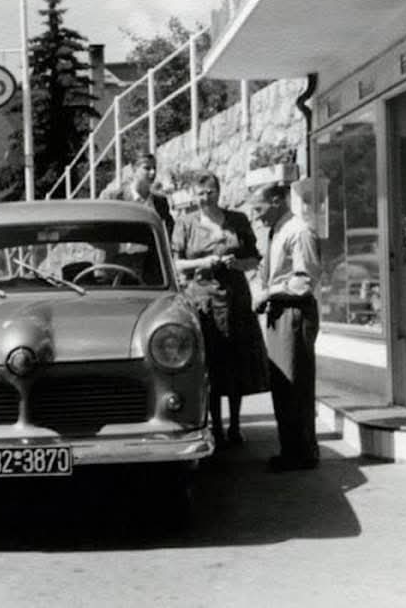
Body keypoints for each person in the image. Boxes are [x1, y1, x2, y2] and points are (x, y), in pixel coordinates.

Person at [171, 171, 266, 447]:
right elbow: (176, 263)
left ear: (219, 191)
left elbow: (254, 258)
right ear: (193, 195)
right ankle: (215, 425)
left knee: (235, 361)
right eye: (200, 193)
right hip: (202, 301)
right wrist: (203, 262)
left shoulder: (238, 220)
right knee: (209, 362)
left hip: (235, 299)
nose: (206, 197)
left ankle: (235, 425)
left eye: (210, 191)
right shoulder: (185, 223)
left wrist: (237, 264)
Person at [249, 182, 323, 472]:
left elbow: (304, 281)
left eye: (259, 208)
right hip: (279, 312)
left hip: (294, 313)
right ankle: (291, 449)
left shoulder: (299, 231)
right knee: (283, 385)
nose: (256, 216)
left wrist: (270, 293)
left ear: (277, 201)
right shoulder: (278, 231)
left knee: (296, 384)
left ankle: (302, 452)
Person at [99, 151, 174, 236]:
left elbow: (167, 230)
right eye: (147, 168)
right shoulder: (115, 199)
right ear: (134, 169)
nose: (153, 172)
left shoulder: (161, 202)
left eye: (154, 168)